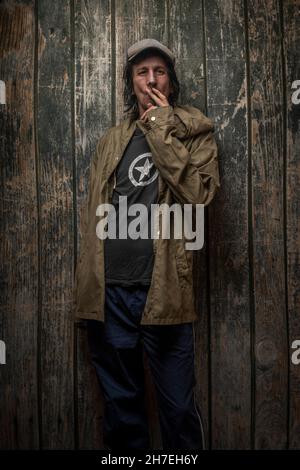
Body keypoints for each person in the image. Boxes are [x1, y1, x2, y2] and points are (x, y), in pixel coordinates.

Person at [73, 38, 220, 450]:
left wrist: (159, 127)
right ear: (131, 83)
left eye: (159, 72)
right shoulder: (111, 140)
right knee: (122, 410)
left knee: (177, 412)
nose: (151, 79)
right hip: (111, 296)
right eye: (142, 72)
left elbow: (199, 195)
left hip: (164, 296)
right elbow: (95, 215)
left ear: (170, 83)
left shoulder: (196, 133)